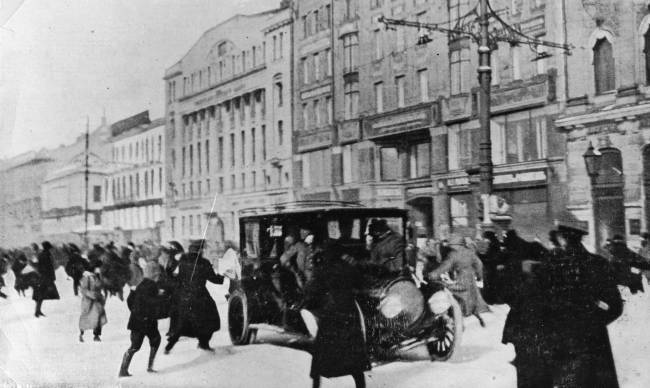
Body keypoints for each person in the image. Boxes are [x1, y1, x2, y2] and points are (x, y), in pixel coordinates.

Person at [302, 245, 369, 388]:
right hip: (349, 314)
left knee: (321, 357)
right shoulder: (348, 268)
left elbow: (311, 293)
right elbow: (361, 285)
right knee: (354, 359)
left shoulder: (321, 270)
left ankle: (316, 385)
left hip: (331, 316)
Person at [164, 239, 224, 353]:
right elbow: (214, 279)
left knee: (181, 322)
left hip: (183, 295)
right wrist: (224, 276)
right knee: (209, 320)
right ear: (200, 250)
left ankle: (169, 346)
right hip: (200, 295)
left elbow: (172, 274)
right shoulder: (204, 262)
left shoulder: (183, 260)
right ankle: (204, 344)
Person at [427, 233, 488, 326]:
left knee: (450, 291)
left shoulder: (453, 255)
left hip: (461, 278)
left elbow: (444, 267)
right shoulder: (470, 252)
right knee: (471, 294)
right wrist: (479, 275)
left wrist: (433, 275)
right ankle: (473, 313)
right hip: (470, 278)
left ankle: (456, 317)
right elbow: (479, 264)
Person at [119, 262, 166, 377]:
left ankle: (123, 370)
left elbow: (130, 300)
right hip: (147, 322)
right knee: (156, 340)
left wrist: (135, 312)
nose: (159, 277)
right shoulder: (152, 285)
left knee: (134, 346)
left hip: (136, 321)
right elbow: (151, 302)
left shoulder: (141, 284)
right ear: (154, 275)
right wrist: (161, 296)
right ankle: (150, 367)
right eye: (158, 275)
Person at [79, 259, 107, 342]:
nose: (99, 269)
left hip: (97, 300)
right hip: (89, 301)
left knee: (98, 317)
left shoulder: (97, 276)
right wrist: (91, 294)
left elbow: (100, 285)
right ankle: (81, 333)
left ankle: (96, 335)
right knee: (87, 317)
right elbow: (83, 289)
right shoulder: (87, 277)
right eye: (98, 267)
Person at [33, 241, 60, 317]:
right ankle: (37, 311)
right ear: (48, 248)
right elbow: (48, 267)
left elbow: (40, 266)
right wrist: (50, 276)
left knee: (41, 294)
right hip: (46, 277)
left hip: (43, 277)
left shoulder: (42, 254)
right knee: (42, 294)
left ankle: (38, 310)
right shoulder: (46, 255)